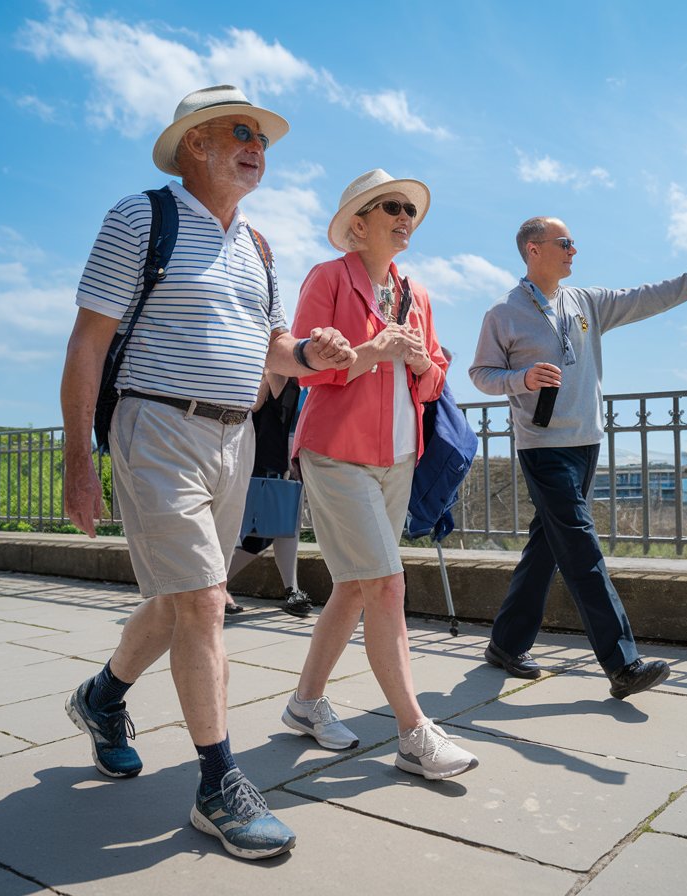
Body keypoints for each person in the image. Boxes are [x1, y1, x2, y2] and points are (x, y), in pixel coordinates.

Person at [60, 85, 356, 861]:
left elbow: (273, 350)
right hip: (156, 424)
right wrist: (76, 462)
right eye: (239, 132)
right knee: (202, 604)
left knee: (187, 598)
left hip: (235, 439)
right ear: (194, 144)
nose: (256, 145)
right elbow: (88, 342)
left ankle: (101, 698)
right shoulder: (142, 217)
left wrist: (309, 356)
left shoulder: (258, 246)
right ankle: (219, 783)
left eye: (261, 136)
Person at [469, 216, 687, 699]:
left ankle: (505, 643)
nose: (574, 250)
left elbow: (648, 297)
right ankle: (623, 664)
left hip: (586, 444)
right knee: (581, 550)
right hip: (543, 448)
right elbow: (481, 373)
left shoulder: (586, 302)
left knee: (547, 545)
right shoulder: (504, 312)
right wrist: (521, 380)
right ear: (534, 249)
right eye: (565, 242)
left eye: (574, 242)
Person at [280, 169, 479, 780]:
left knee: (354, 585)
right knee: (386, 585)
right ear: (358, 225)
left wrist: (420, 362)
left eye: (409, 210)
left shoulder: (415, 292)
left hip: (398, 457)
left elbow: (437, 374)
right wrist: (374, 352)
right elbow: (305, 367)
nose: (404, 217)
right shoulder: (328, 277)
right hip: (337, 453)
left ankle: (305, 703)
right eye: (390, 207)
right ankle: (413, 732)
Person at [224, 371, 312, 618]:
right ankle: (212, 585)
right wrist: (266, 373)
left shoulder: (306, 382)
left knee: (284, 527)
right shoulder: (274, 374)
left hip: (290, 465)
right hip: (265, 465)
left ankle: (292, 590)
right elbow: (252, 407)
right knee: (261, 534)